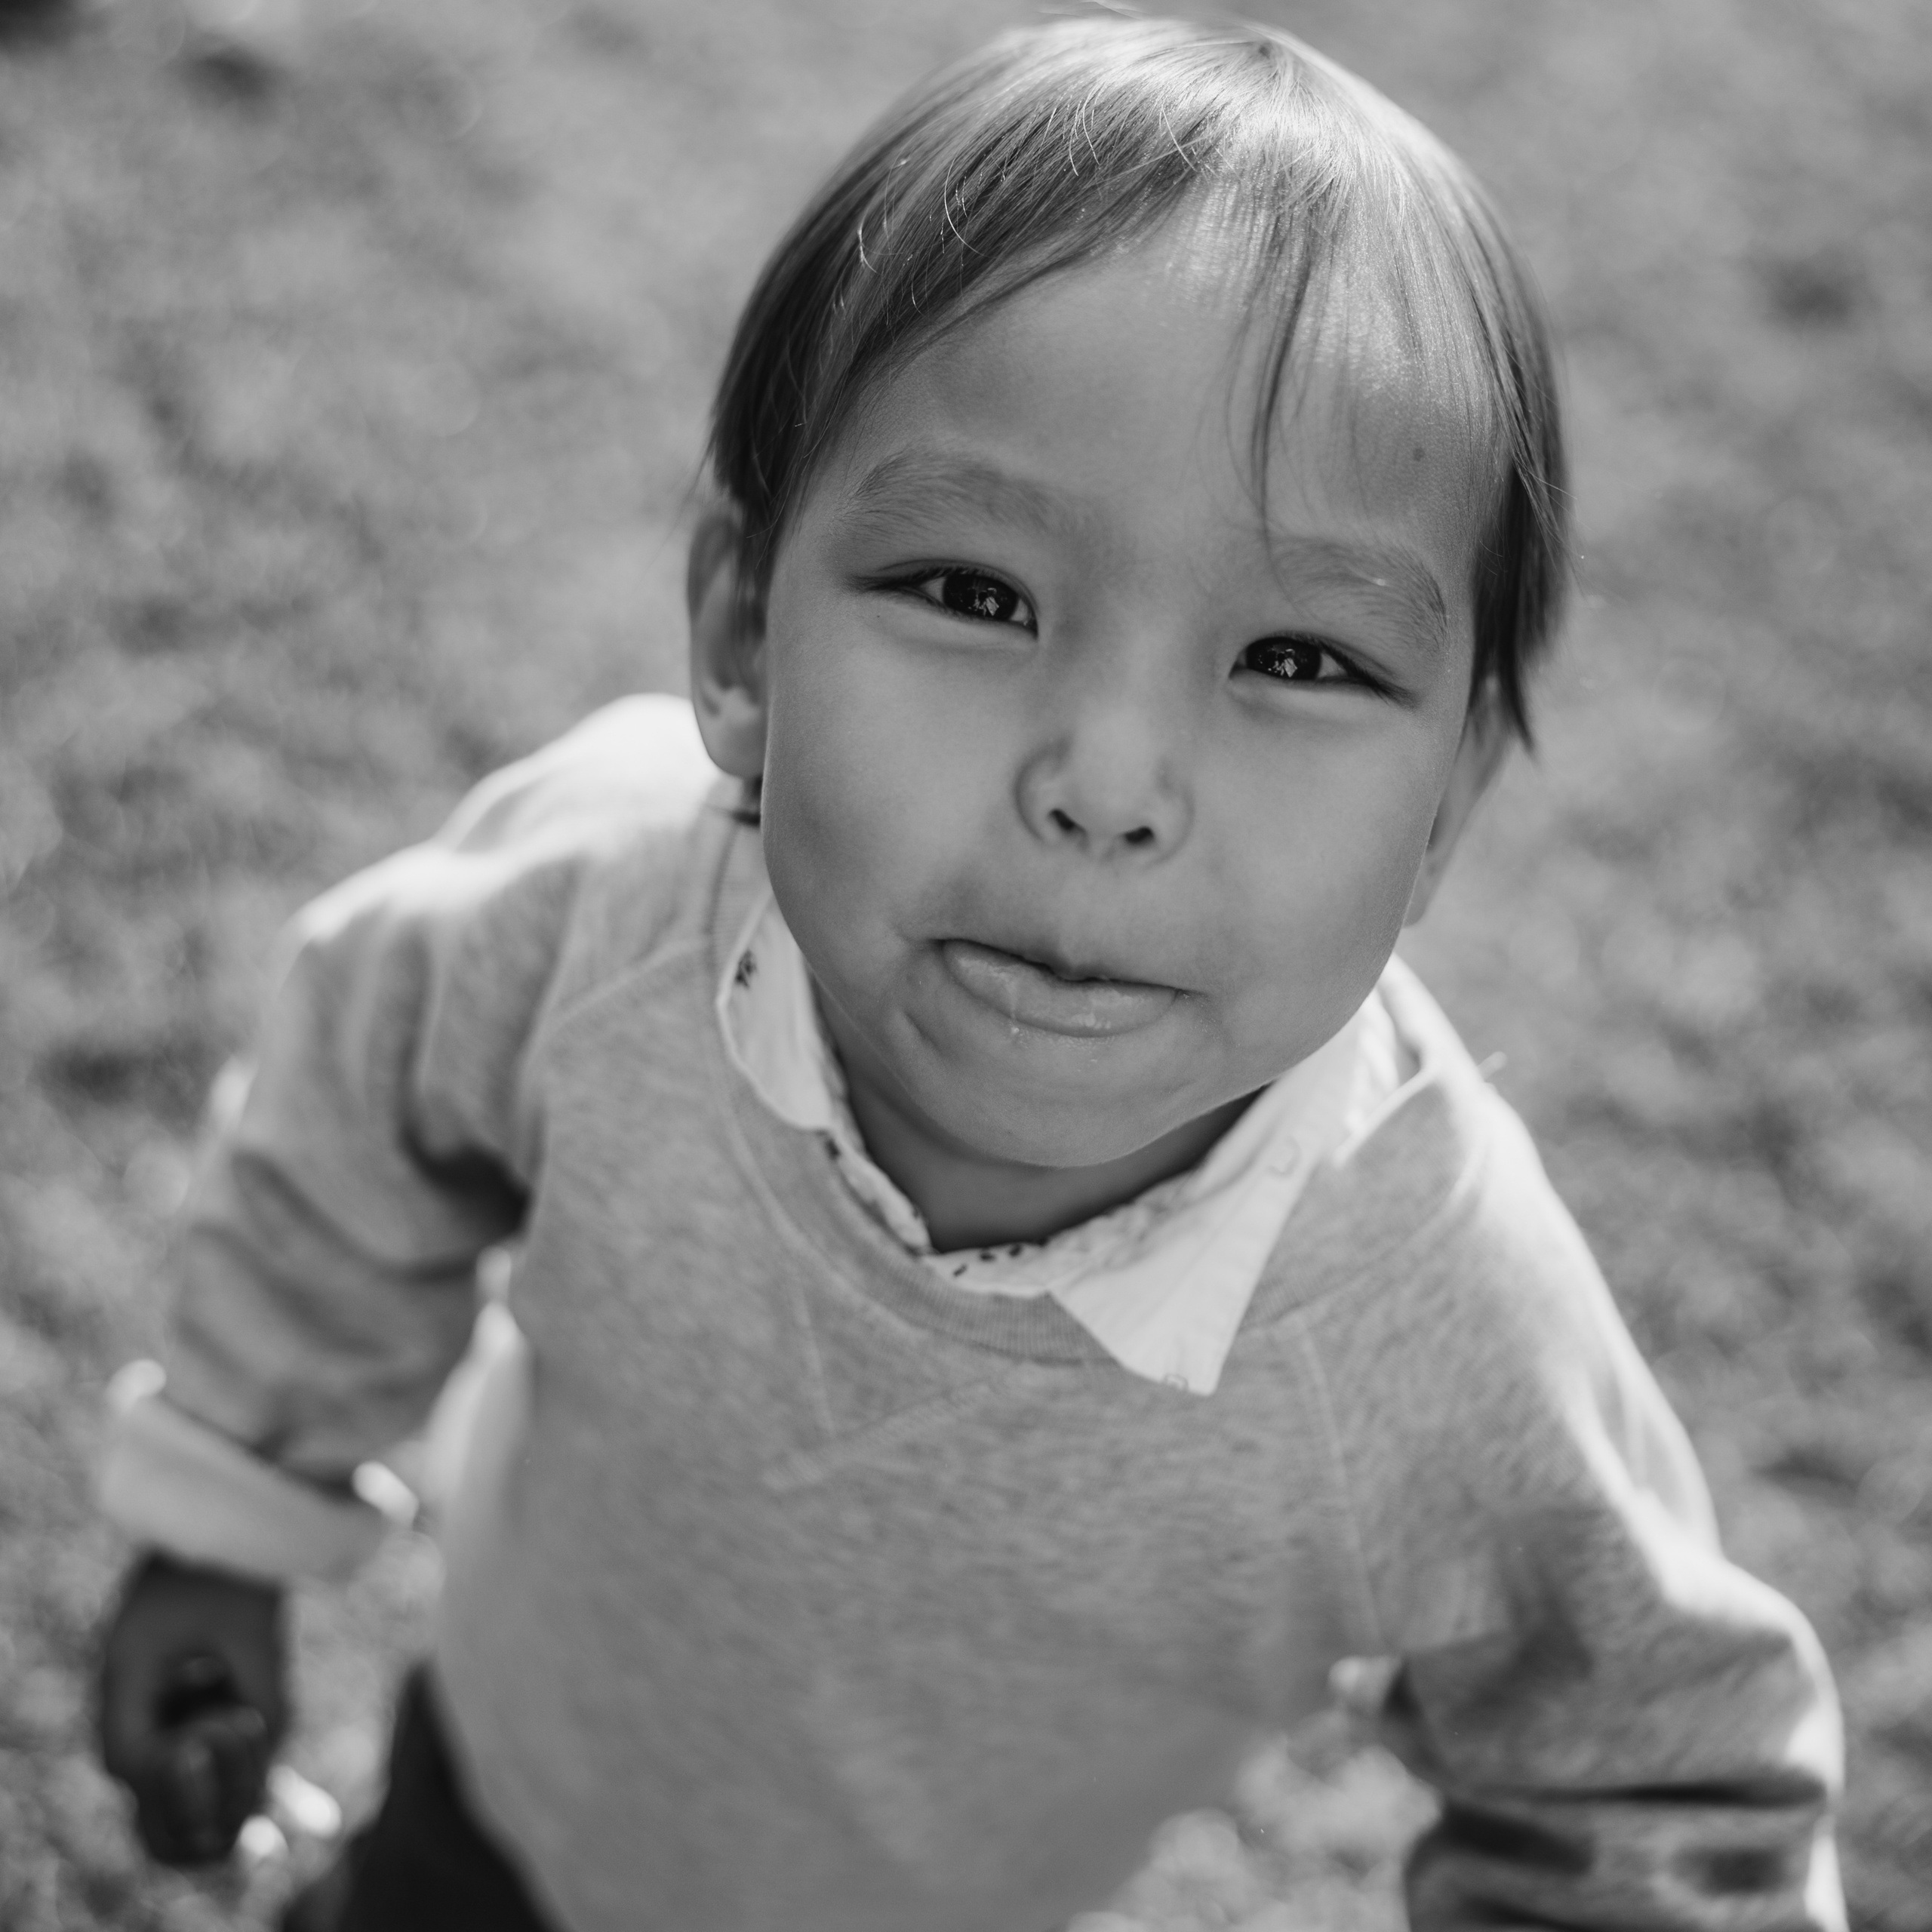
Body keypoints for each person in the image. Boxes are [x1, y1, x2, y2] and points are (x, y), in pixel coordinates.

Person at [94, 15, 1847, 1930]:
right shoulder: (595, 919)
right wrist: (224, 1518)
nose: (1102, 781)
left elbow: (1654, 1771)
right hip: (491, 1798)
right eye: (974, 594)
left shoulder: (1426, 1311)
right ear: (745, 632)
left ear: (1443, 813)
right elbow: (360, 1108)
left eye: (1299, 659)